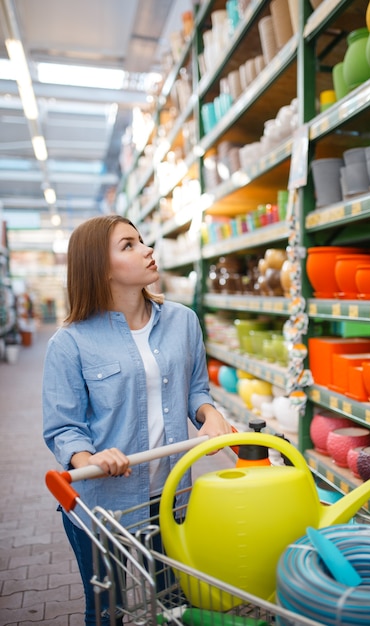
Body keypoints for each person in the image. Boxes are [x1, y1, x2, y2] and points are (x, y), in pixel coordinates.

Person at [42, 214, 233, 626]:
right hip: (102, 508)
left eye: (142, 240)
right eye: (128, 245)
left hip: (171, 499)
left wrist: (210, 413)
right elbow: (63, 427)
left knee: (175, 604)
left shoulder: (183, 322)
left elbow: (197, 389)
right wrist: (87, 458)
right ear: (100, 267)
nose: (147, 249)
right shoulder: (70, 342)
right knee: (109, 611)